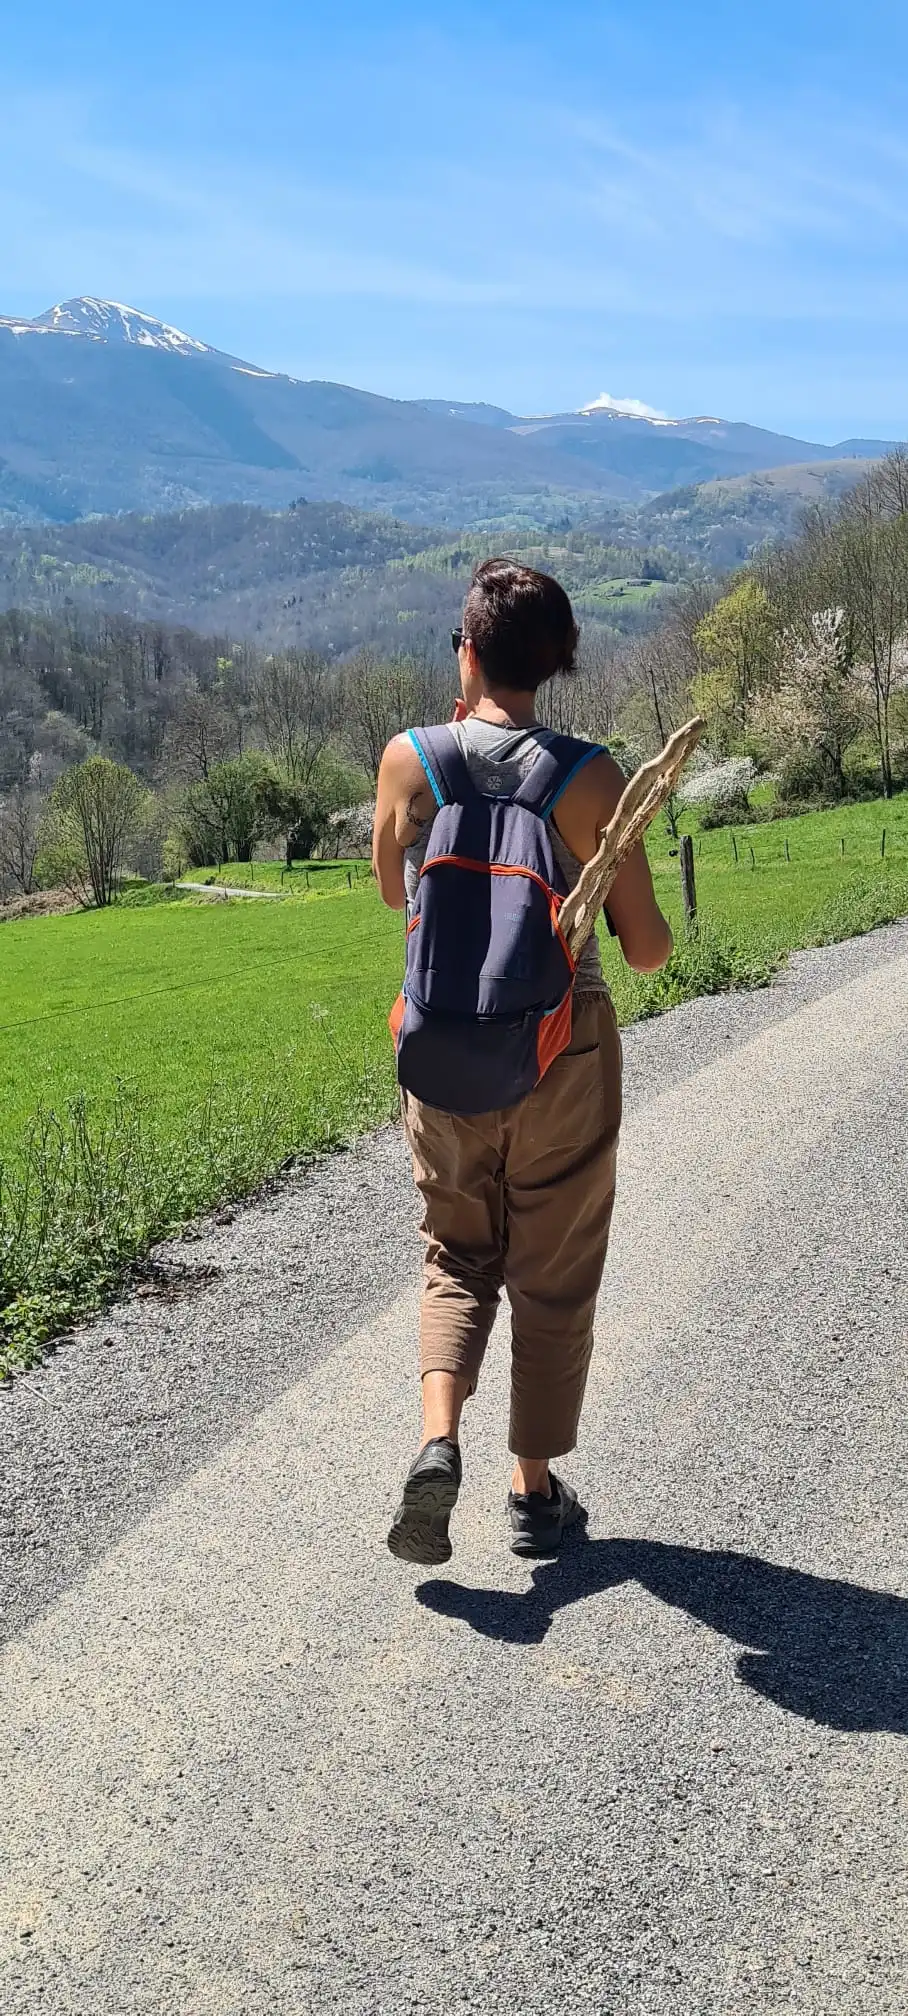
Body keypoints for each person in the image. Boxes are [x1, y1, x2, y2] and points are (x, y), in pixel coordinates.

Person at [373, 559, 672, 1564]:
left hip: (440, 1048)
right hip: (561, 1049)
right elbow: (645, 948)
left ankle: (435, 1440)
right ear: (558, 663)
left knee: (455, 1250)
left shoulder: (408, 761)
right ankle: (532, 1492)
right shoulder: (591, 777)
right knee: (551, 1274)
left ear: (465, 651)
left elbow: (389, 891)